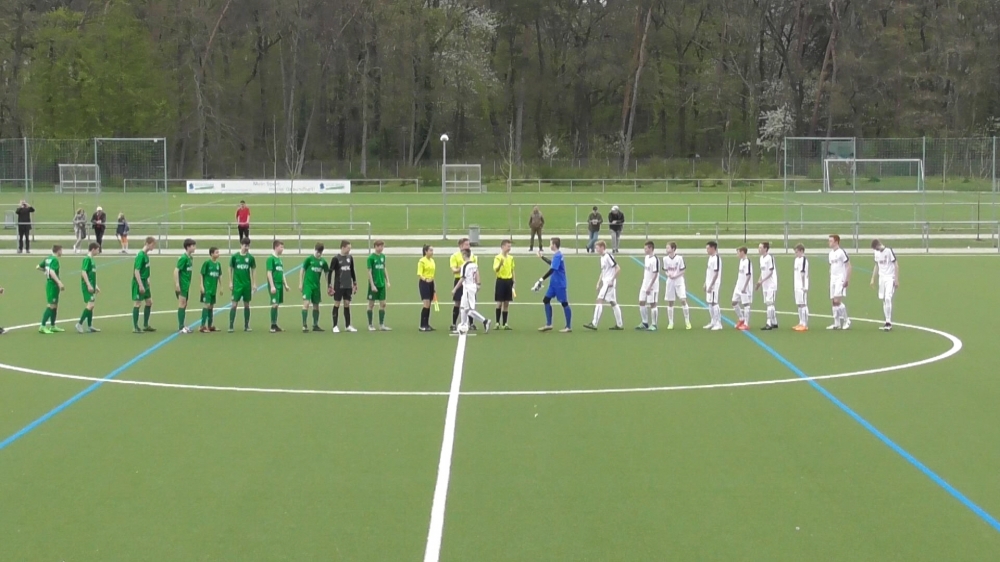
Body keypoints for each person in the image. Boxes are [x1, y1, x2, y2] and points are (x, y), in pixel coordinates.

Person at [532, 237, 572, 332]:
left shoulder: (558, 255)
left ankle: (568, 326)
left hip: (559, 284)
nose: (549, 245)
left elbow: (553, 269)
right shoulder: (557, 255)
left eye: (550, 244)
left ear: (554, 245)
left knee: (564, 303)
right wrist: (542, 257)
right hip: (553, 284)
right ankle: (549, 324)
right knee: (546, 300)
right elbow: (553, 264)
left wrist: (541, 279)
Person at [583, 240, 623, 330]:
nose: (596, 249)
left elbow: (618, 268)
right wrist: (598, 282)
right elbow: (603, 271)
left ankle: (594, 323)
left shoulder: (608, 256)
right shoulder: (602, 258)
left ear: (602, 247)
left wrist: (612, 280)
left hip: (609, 283)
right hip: (606, 282)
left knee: (599, 300)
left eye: (597, 248)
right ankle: (619, 324)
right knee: (613, 302)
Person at [453, 249, 491, 333]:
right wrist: (478, 283)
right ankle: (463, 325)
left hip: (468, 288)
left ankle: (485, 321)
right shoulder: (474, 264)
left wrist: (455, 289)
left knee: (469, 310)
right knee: (463, 307)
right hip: (471, 287)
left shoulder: (465, 265)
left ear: (464, 255)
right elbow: (477, 274)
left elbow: (462, 278)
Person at [327, 240, 358, 333]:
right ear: (343, 247)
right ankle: (335, 326)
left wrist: (355, 282)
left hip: (348, 285)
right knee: (337, 303)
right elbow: (330, 272)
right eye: (348, 248)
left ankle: (348, 325)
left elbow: (352, 270)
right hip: (339, 285)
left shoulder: (350, 258)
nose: (349, 250)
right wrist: (329, 285)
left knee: (347, 304)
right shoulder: (336, 259)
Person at [228, 238, 257, 332]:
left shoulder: (250, 258)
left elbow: (253, 270)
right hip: (237, 285)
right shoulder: (235, 257)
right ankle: (231, 325)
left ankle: (246, 325)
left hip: (247, 285)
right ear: (241, 245)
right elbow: (230, 268)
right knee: (234, 304)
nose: (247, 248)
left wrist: (254, 283)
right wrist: (230, 282)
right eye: (245, 245)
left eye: (248, 246)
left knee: (247, 305)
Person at [449, 238, 478, 332]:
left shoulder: (472, 256)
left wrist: (477, 282)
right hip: (459, 279)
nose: (468, 246)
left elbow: (475, 270)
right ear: (461, 246)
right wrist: (464, 267)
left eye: (469, 244)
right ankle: (454, 323)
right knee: (457, 302)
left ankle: (471, 323)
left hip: (469, 282)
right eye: (466, 244)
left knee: (470, 303)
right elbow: (454, 270)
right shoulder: (455, 256)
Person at [300, 243, 329, 332]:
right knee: (306, 303)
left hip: (316, 286)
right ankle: (304, 325)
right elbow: (302, 270)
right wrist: (300, 283)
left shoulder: (323, 262)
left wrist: (329, 285)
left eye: (320, 252)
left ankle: (315, 325)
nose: (318, 253)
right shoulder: (309, 259)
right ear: (315, 250)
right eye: (317, 251)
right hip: (308, 285)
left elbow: (326, 273)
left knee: (316, 305)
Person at [662, 242, 691, 330]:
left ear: (673, 249)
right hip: (670, 282)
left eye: (668, 248)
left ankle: (687, 321)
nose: (666, 249)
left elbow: (683, 270)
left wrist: (676, 275)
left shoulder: (679, 258)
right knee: (670, 302)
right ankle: (670, 322)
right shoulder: (665, 259)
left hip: (679, 281)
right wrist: (668, 275)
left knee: (683, 300)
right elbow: (665, 270)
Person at [870, 239, 898, 331]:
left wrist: (896, 279)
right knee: (883, 299)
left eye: (877, 248)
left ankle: (889, 322)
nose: (877, 250)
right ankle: (886, 321)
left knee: (888, 298)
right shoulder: (876, 253)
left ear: (879, 244)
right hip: (881, 278)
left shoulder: (889, 251)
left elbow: (896, 265)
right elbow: (876, 265)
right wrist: (873, 278)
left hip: (890, 277)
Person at [37, 245, 66, 334]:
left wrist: (46, 271)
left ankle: (53, 326)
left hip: (50, 283)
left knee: (55, 305)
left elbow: (38, 267)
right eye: (61, 250)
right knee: (51, 305)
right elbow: (52, 271)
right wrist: (59, 282)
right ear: (58, 251)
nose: (62, 252)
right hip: (53, 284)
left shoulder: (48, 258)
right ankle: (42, 326)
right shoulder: (55, 260)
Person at [74, 242, 102, 333]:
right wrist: (88, 284)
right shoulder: (87, 259)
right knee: (90, 305)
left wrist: (95, 285)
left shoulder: (92, 259)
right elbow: (83, 272)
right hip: (87, 286)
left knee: (92, 305)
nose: (98, 251)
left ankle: (90, 326)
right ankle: (79, 324)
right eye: (97, 250)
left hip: (91, 285)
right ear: (93, 249)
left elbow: (91, 274)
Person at [132, 237, 156, 333]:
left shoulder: (146, 255)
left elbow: (145, 269)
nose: (153, 247)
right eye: (152, 245)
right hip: (139, 282)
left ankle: (146, 325)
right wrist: (140, 285)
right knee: (137, 303)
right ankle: (135, 327)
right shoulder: (140, 255)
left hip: (145, 281)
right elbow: (136, 271)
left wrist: (148, 279)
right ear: (147, 244)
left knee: (149, 302)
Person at [365, 240, 391, 331]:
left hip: (381, 284)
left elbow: (384, 268)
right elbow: (369, 272)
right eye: (379, 246)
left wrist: (387, 281)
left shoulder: (383, 256)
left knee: (383, 304)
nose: (381, 248)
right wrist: (372, 285)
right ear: (375, 247)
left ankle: (381, 324)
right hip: (374, 285)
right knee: (371, 304)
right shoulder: (371, 258)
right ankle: (370, 325)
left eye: (382, 246)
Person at [827, 234, 852, 330]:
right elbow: (831, 266)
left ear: (836, 242)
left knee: (837, 300)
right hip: (833, 278)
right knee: (833, 301)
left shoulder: (841, 252)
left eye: (831, 241)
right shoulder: (830, 254)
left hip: (840, 278)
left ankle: (846, 320)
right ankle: (836, 323)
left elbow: (848, 266)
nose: (829, 242)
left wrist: (847, 279)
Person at [267, 240, 291, 333]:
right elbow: (269, 273)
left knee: (277, 305)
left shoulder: (280, 260)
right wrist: (272, 286)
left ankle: (275, 324)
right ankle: (272, 325)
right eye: (281, 247)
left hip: (280, 285)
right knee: (274, 304)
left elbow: (282, 272)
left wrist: (285, 284)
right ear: (276, 247)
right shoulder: (271, 259)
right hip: (275, 284)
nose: (282, 249)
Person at [174, 238, 197, 334]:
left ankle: (183, 325)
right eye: (193, 246)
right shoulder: (183, 258)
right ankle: (181, 327)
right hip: (182, 284)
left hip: (187, 284)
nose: (195, 248)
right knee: (182, 303)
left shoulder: (190, 258)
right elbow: (176, 270)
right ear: (188, 247)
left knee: (185, 304)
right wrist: (177, 284)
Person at [755, 241, 779, 330]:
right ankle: (774, 322)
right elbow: (763, 272)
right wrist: (759, 281)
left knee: (769, 303)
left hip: (771, 284)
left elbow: (770, 272)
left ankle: (769, 322)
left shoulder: (770, 258)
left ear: (765, 249)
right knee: (768, 302)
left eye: (760, 248)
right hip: (765, 284)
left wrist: (762, 281)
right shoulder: (761, 258)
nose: (759, 249)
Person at [199, 247, 223, 333]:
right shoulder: (207, 263)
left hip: (213, 289)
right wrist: (201, 285)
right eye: (216, 252)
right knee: (207, 305)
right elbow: (201, 274)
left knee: (211, 306)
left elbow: (219, 275)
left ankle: (210, 325)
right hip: (207, 288)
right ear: (212, 254)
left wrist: (221, 286)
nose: (218, 254)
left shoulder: (218, 264)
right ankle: (202, 326)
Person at [637, 241, 660, 331]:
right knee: (641, 302)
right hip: (644, 284)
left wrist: (650, 286)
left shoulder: (655, 259)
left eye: (646, 248)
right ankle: (644, 322)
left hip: (652, 286)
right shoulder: (646, 258)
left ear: (651, 248)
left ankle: (654, 324)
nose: (644, 250)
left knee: (652, 304)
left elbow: (655, 274)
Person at [493, 239, 515, 330]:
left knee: (506, 303)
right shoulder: (498, 258)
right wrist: (500, 265)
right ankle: (497, 322)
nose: (509, 248)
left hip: (508, 281)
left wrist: (514, 281)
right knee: (499, 303)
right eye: (508, 246)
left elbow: (512, 270)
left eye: (510, 246)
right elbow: (496, 269)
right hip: (501, 281)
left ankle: (505, 323)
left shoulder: (511, 258)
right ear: (502, 247)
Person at [703, 241, 723, 330]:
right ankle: (713, 321)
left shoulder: (716, 258)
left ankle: (718, 323)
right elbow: (709, 272)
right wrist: (706, 283)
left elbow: (716, 273)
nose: (707, 250)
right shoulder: (710, 258)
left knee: (715, 302)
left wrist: (711, 285)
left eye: (708, 248)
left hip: (714, 284)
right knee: (710, 302)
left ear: (712, 248)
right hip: (709, 283)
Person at [732, 247, 753, 330]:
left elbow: (748, 275)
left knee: (746, 304)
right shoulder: (741, 261)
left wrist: (744, 287)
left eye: (738, 252)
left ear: (742, 252)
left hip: (745, 287)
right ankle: (741, 318)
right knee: (734, 302)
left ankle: (746, 323)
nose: (737, 254)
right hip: (738, 286)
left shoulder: (747, 262)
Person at [417, 245, 437, 332]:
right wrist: (425, 279)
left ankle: (427, 324)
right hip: (424, 283)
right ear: (426, 251)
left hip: (431, 283)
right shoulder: (422, 261)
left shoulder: (432, 261)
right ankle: (422, 325)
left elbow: (432, 273)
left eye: (432, 250)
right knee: (426, 304)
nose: (432, 252)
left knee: (429, 304)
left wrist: (433, 284)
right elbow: (419, 274)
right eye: (430, 250)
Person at [792, 244, 810, 331]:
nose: (796, 254)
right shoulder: (796, 260)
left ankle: (805, 324)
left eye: (797, 252)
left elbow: (803, 273)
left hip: (802, 285)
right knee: (799, 304)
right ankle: (800, 322)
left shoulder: (804, 260)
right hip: (796, 284)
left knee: (803, 304)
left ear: (801, 251)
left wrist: (804, 286)